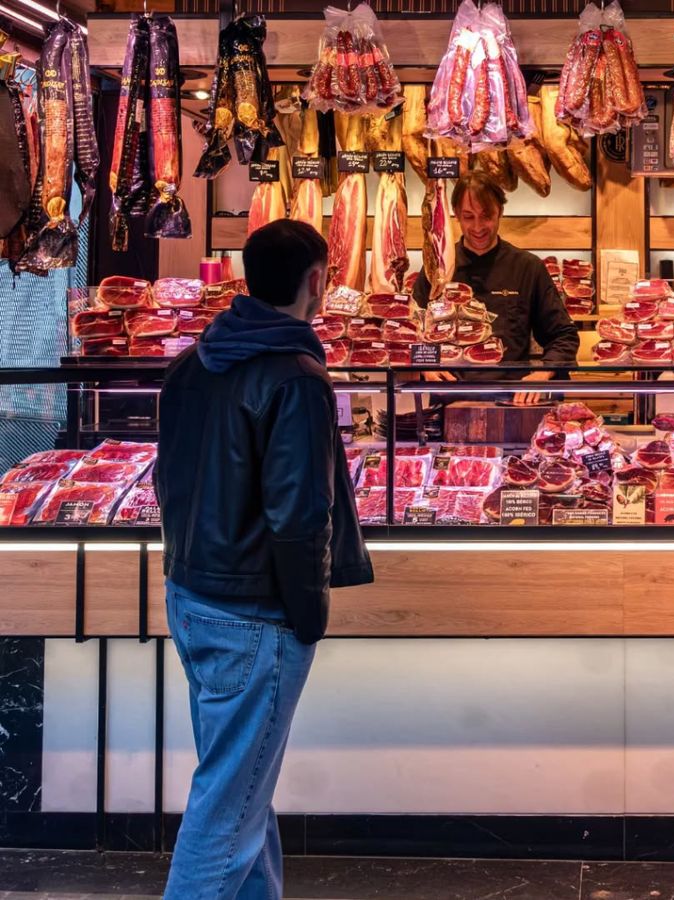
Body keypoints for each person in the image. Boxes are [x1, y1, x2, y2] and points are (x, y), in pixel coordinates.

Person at [155, 219, 373, 900]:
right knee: (227, 813)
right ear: (316, 282)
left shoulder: (194, 361)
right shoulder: (297, 377)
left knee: (244, 793)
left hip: (192, 596)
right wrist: (308, 615)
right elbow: (300, 513)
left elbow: (169, 480)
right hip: (255, 613)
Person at [412, 172, 580, 405]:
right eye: (468, 217)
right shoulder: (438, 268)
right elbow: (412, 332)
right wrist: (425, 368)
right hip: (450, 400)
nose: (478, 227)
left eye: (487, 216)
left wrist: (544, 374)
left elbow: (563, 334)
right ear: (457, 216)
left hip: (511, 402)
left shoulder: (527, 267)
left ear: (500, 211)